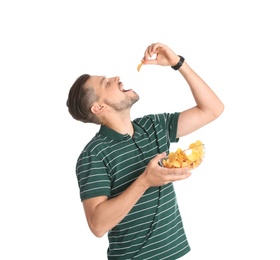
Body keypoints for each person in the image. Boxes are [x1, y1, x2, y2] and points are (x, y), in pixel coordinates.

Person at [66, 42, 224, 260]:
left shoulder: (154, 126)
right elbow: (97, 225)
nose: (115, 78)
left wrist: (178, 63)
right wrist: (145, 181)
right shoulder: (94, 154)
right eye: (106, 83)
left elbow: (212, 109)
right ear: (99, 108)